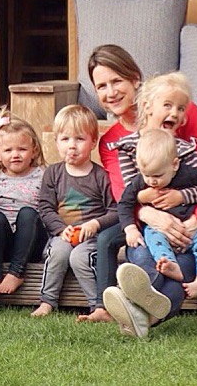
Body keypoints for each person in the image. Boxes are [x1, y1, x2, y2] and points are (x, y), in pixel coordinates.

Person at [87, 44, 197, 332]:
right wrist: (151, 215)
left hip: (195, 213)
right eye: (101, 86)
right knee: (129, 246)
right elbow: (125, 193)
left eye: (117, 81)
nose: (111, 92)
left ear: (135, 80)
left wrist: (190, 214)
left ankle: (140, 310)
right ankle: (115, 306)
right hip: (146, 219)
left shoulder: (179, 113)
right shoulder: (116, 143)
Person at [118, 126, 197, 301]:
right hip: (158, 229)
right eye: (146, 175)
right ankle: (171, 265)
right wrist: (130, 229)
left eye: (158, 175)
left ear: (174, 165)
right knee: (153, 238)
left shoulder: (187, 173)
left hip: (190, 228)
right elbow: (124, 203)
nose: (151, 181)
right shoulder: (141, 181)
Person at [31, 103, 113, 317]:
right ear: (56, 141)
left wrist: (95, 225)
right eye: (65, 139)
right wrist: (60, 229)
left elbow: (114, 211)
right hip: (63, 234)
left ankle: (98, 306)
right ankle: (47, 301)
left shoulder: (101, 176)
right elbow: (45, 207)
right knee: (59, 252)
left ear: (93, 141)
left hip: (91, 238)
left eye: (79, 139)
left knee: (79, 257)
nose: (72, 146)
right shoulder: (53, 173)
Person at [0, 111, 47, 298]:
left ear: (34, 151)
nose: (15, 155)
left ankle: (16, 273)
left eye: (22, 149)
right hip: (5, 244)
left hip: (32, 243)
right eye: (8, 150)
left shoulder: (43, 176)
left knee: (28, 213)